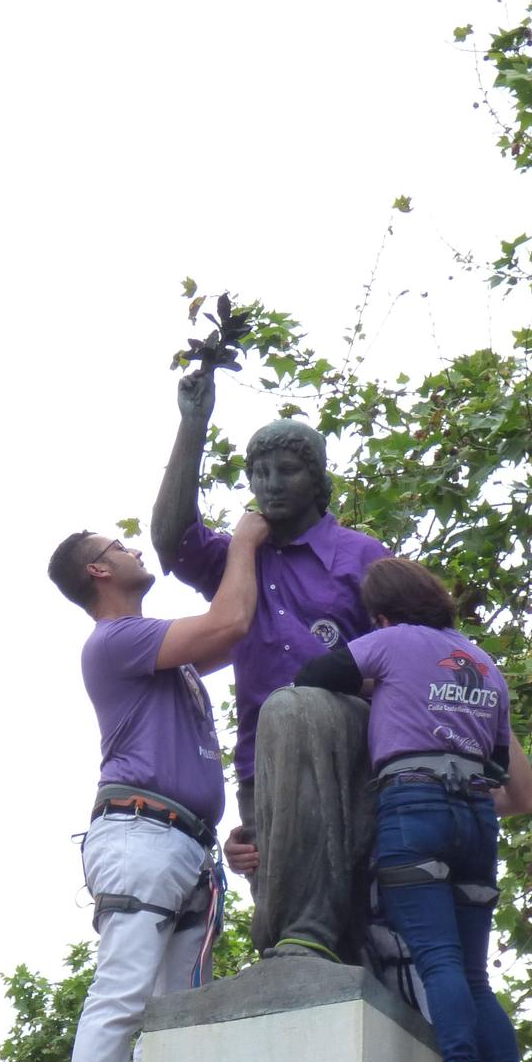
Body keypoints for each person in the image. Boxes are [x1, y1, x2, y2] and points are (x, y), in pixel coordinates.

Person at [46, 512, 269, 1062]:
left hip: (183, 842)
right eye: (118, 545)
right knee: (127, 986)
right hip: (142, 834)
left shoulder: (156, 653)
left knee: (175, 1012)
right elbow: (227, 622)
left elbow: (238, 631)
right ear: (98, 570)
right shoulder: (117, 639)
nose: (133, 547)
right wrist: (248, 542)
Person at [151, 369, 390, 961]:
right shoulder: (241, 558)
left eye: (288, 470)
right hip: (264, 757)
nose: (270, 483)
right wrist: (193, 423)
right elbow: (171, 538)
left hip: (350, 749)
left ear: (318, 479)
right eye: (260, 472)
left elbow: (402, 652)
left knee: (359, 915)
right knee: (276, 896)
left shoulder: (361, 555)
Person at [295, 557, 532, 1062]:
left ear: (381, 614)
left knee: (439, 961)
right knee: (475, 975)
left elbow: (310, 679)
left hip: (414, 803)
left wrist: (376, 686)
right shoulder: (483, 663)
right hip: (477, 816)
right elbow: (501, 761)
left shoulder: (391, 641)